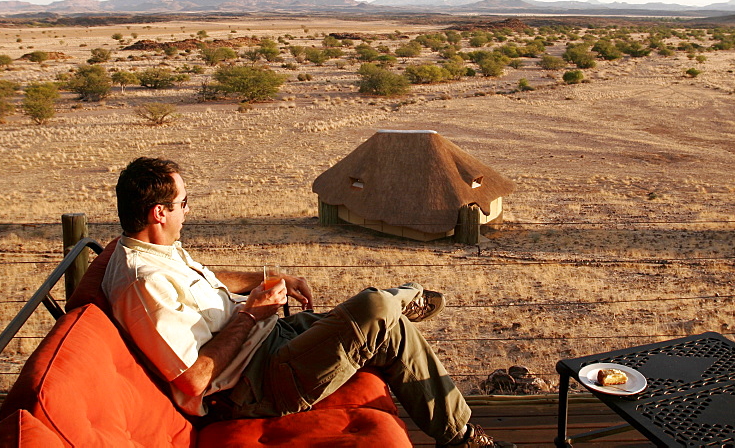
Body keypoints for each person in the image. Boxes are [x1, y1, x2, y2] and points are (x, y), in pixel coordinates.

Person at [104, 157, 514, 448]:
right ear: (159, 212)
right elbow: (194, 381)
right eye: (183, 204)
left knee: (384, 323)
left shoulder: (156, 251)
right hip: (257, 382)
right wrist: (251, 313)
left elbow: (205, 280)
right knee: (374, 311)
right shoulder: (145, 283)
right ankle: (404, 301)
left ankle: (459, 430)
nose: (187, 212)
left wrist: (267, 280)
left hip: (271, 340)